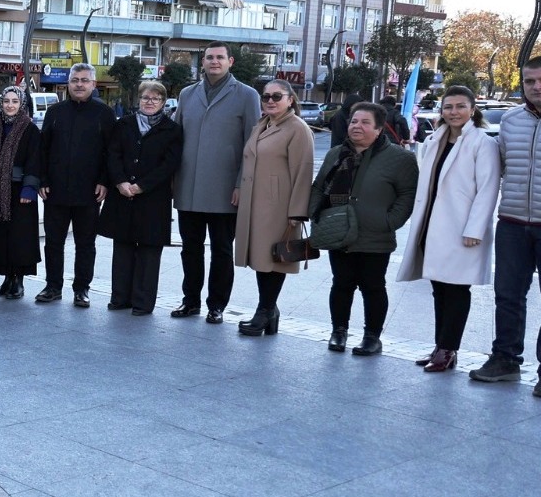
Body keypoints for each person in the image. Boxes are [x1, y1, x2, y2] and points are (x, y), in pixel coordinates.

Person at [396, 87, 499, 372]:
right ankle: (440, 346)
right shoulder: (434, 140)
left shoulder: (482, 143)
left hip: (462, 228)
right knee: (439, 288)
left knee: (456, 290)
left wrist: (475, 228)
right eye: (448, 107)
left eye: (460, 106)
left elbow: (488, 189)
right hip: (433, 224)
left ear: (472, 109)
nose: (454, 112)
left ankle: (448, 349)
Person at [311, 102, 418, 355]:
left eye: (364, 122)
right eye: (353, 121)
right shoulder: (336, 153)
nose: (356, 126)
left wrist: (388, 221)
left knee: (373, 286)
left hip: (375, 234)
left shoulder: (400, 158)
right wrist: (316, 214)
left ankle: (372, 336)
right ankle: (339, 331)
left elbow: (407, 195)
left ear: (379, 129)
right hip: (338, 230)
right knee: (341, 284)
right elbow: (318, 186)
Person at [171, 41, 260, 323]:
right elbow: (176, 138)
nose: (214, 62)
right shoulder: (187, 94)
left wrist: (240, 184)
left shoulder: (247, 95)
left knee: (222, 250)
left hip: (225, 190)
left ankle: (217, 304)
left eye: (220, 57)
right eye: (209, 57)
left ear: (230, 61)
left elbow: (252, 144)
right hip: (188, 187)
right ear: (203, 61)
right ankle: (191, 301)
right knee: (190, 249)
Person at [473, 57, 541, 388]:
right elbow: (494, 166)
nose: (536, 86)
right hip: (512, 223)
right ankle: (505, 359)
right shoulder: (512, 120)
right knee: (508, 295)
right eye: (530, 81)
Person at [232, 79, 315, 336]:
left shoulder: (297, 128)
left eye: (276, 96)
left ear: (290, 99)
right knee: (261, 258)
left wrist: (297, 212)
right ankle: (268, 310)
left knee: (275, 259)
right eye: (266, 96)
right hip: (256, 203)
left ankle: (265, 311)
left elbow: (303, 172)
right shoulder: (263, 124)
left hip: (280, 207)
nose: (270, 100)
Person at [97, 81, 183, 315]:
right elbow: (113, 154)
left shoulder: (172, 130)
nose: (150, 102)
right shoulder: (123, 124)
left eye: (155, 98)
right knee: (122, 248)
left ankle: (143, 302)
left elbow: (169, 164)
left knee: (148, 251)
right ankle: (120, 297)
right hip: (122, 194)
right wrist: (121, 182)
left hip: (152, 198)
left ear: (163, 103)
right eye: (146, 97)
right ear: (139, 99)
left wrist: (141, 186)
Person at [36, 63, 115, 307]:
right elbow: (43, 149)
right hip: (56, 190)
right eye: (74, 80)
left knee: (85, 244)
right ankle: (52, 286)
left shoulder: (104, 114)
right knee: (53, 242)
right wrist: (43, 180)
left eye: (84, 80)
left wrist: (104, 181)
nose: (79, 84)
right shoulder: (55, 112)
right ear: (68, 84)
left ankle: (82, 289)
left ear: (93, 84)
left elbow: (111, 152)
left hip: (89, 191)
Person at [0, 87, 42, 299]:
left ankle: (18, 281)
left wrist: (29, 187)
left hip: (20, 191)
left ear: (22, 105)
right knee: (2, 236)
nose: (10, 105)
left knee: (20, 238)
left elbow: (35, 160)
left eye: (15, 102)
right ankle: (6, 278)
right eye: (6, 101)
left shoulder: (29, 129)